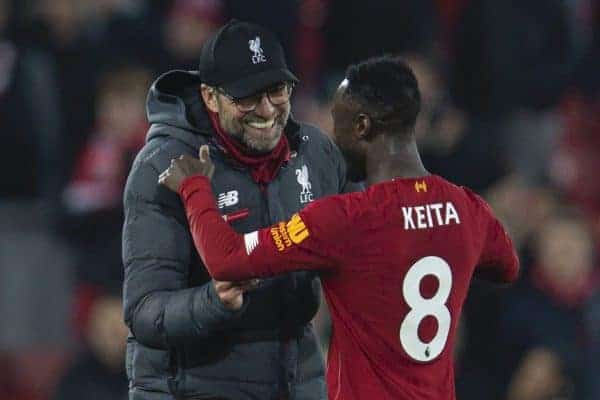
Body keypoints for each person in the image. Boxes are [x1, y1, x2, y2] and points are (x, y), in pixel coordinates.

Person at [159, 55, 520, 399]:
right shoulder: (466, 207)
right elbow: (507, 267)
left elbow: (228, 259)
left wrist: (194, 188)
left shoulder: (346, 220)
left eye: (338, 121)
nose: (332, 135)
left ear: (362, 126)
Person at [122, 20, 356, 400]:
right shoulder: (165, 165)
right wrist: (213, 302)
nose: (266, 109)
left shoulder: (316, 153)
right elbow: (145, 312)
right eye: (246, 96)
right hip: (193, 386)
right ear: (211, 97)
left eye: (277, 91)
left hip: (297, 380)